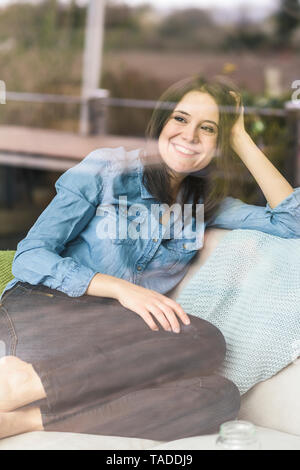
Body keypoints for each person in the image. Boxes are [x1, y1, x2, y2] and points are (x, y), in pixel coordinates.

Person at [0, 75, 299, 441]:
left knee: (218, 397)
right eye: (181, 119)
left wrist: (238, 135)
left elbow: (291, 221)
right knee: (202, 339)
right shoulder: (108, 169)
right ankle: (16, 384)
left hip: (110, 341)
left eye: (208, 128)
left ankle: (22, 420)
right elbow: (30, 256)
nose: (190, 136)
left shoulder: (205, 205)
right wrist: (121, 290)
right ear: (160, 123)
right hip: (44, 311)